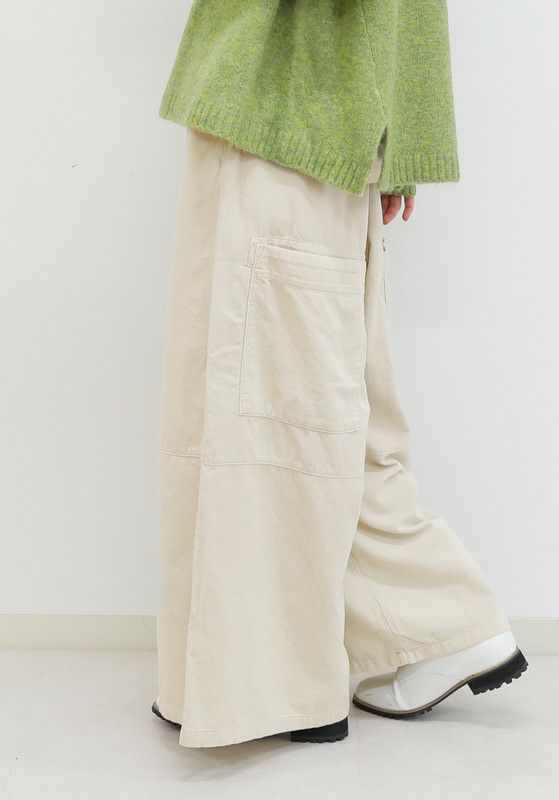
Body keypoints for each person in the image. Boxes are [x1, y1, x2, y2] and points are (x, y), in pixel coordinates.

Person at [152, 0, 527, 748]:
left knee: (260, 410)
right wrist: (400, 139)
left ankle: (278, 690)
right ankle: (436, 628)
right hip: (333, 116)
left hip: (279, 108)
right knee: (327, 406)